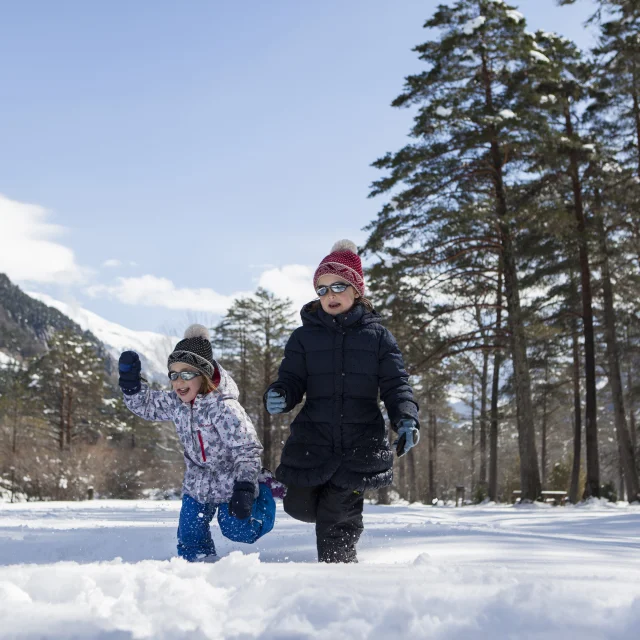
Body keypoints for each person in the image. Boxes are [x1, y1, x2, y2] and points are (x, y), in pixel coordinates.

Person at [264, 240, 420, 563]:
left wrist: (405, 417)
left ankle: (340, 575)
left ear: (357, 290)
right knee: (299, 505)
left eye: (338, 286)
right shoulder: (303, 338)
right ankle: (344, 519)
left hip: (359, 443)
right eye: (322, 289)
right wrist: (279, 394)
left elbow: (396, 384)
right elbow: (291, 380)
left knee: (335, 516)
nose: (330, 295)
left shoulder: (378, 338)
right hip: (314, 439)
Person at [118, 324, 271, 562]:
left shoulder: (224, 407)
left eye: (187, 373)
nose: (179, 381)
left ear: (204, 374)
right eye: (174, 374)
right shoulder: (177, 403)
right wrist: (131, 385)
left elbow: (247, 450)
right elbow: (146, 405)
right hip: (197, 483)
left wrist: (245, 487)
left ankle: (265, 499)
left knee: (238, 530)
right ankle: (198, 567)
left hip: (233, 482)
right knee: (190, 535)